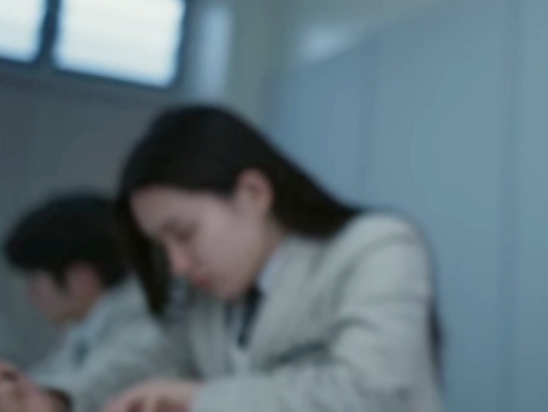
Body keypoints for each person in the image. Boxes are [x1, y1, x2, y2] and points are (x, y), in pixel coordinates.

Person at [0, 106, 442, 412]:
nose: (177, 264)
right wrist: (56, 400)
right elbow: (140, 361)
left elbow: (366, 393)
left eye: (184, 234)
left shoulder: (377, 246)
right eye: (162, 246)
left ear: (253, 193)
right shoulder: (206, 294)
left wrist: (197, 398)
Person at [0, 194, 164, 412]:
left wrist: (46, 400)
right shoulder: (84, 330)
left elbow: (118, 374)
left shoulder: (152, 316)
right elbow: (48, 375)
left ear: (80, 275)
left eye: (35, 278)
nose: (31, 294)